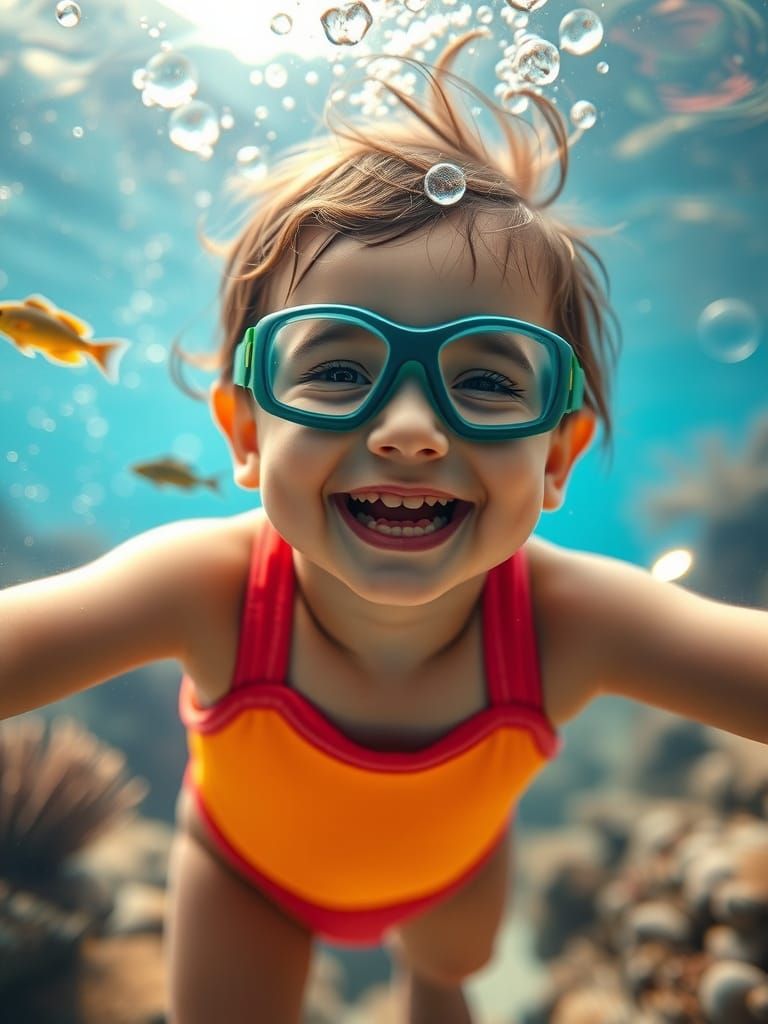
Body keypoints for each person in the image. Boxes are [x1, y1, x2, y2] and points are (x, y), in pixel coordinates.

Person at [1, 30, 765, 1024]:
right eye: (336, 370)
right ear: (247, 434)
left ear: (556, 459)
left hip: (453, 879)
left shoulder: (571, 620)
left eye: (486, 380)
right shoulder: (204, 588)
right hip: (244, 876)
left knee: (450, 969)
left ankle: (429, 982)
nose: (409, 428)